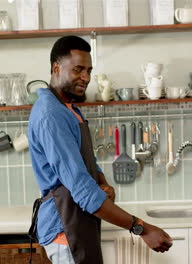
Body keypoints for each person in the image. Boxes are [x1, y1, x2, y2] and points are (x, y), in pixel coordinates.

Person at [28, 35, 173, 264]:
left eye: (89, 70)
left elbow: (88, 161)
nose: (85, 78)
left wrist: (102, 182)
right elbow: (82, 189)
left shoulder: (69, 108)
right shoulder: (50, 114)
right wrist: (141, 228)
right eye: (78, 70)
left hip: (78, 222)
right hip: (65, 230)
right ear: (56, 68)